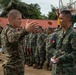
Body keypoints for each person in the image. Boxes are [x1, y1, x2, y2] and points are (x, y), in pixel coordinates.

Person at [1, 9, 38, 75]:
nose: (21, 21)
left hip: (14, 67)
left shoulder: (9, 29)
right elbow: (13, 39)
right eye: (19, 19)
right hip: (13, 68)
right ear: (12, 19)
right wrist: (25, 30)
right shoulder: (9, 30)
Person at [51, 10, 76, 75]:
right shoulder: (59, 34)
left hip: (68, 70)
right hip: (57, 69)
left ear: (68, 19)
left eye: (61, 19)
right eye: (59, 19)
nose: (59, 21)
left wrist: (62, 58)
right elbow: (57, 49)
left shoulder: (73, 34)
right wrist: (55, 55)